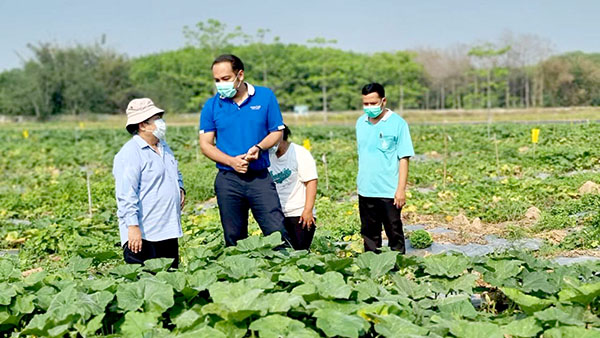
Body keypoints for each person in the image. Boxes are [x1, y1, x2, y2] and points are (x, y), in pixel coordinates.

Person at [198, 54, 292, 247]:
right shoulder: (212, 105)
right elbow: (206, 144)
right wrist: (231, 161)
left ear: (240, 75)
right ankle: (240, 274)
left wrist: (259, 147)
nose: (221, 84)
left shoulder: (265, 97)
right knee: (234, 236)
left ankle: (283, 270)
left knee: (277, 231)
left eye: (225, 79)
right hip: (228, 179)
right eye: (217, 80)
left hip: (259, 177)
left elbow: (276, 132)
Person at [113, 98, 185, 268]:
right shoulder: (130, 153)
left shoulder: (164, 147)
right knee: (146, 281)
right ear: (143, 125)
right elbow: (126, 194)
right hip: (144, 233)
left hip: (167, 228)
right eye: (156, 119)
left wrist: (180, 188)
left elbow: (175, 171)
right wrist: (133, 227)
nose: (162, 122)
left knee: (169, 283)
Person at [356, 83, 414, 253]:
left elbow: (403, 158)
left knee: (394, 232)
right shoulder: (361, 123)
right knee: (369, 233)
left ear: (383, 101)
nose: (369, 107)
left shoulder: (398, 123)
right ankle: (373, 268)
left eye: (373, 103)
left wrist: (401, 190)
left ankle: (397, 268)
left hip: (389, 191)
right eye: (365, 104)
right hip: (366, 189)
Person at [268, 125, 318, 250]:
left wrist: (308, 210)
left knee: (299, 252)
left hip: (298, 213)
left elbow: (311, 181)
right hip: (277, 214)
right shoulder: (267, 155)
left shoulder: (299, 153)